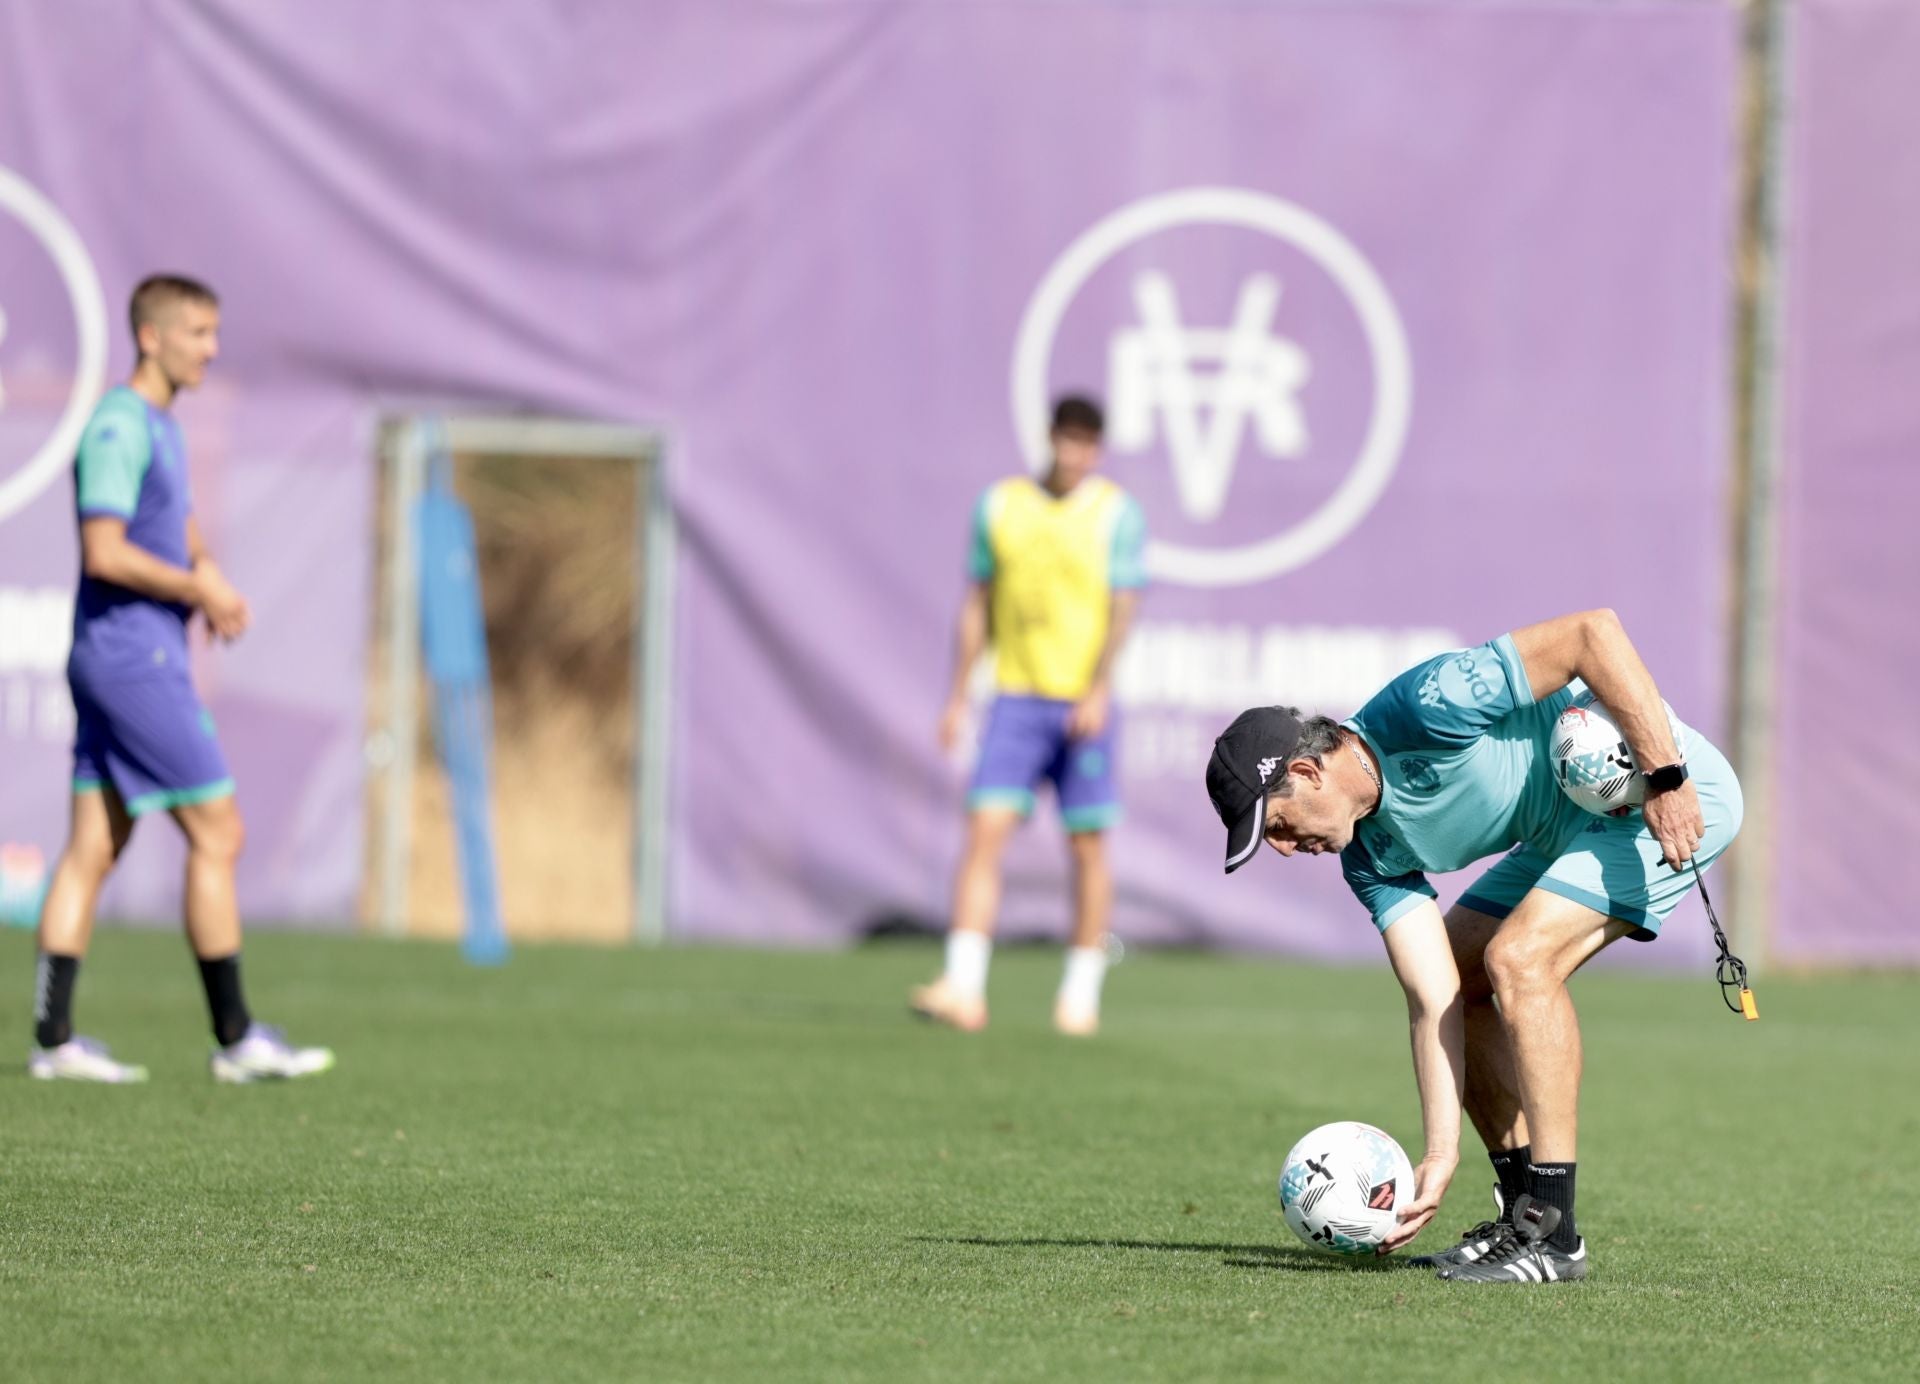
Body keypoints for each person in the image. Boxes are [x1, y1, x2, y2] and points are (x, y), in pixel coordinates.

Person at [1206, 610, 1741, 1283]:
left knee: (1519, 959)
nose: (1286, 850)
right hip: (1562, 837)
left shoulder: (1425, 707)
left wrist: (1666, 779)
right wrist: (1440, 1152)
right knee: (1465, 970)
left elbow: (1592, 635)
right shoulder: (1367, 859)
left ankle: (1554, 1233)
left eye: (1279, 826)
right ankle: (1523, 1211)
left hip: (1662, 800)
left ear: (1310, 773)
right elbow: (1434, 998)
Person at [29, 274, 335, 1084]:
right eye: (199, 332)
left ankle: (54, 1040)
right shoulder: (118, 426)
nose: (212, 347)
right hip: (133, 661)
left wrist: (207, 570)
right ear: (151, 337)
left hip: (127, 654)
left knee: (95, 844)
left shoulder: (160, 426)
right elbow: (106, 551)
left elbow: (179, 531)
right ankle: (236, 1037)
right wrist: (197, 587)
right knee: (219, 831)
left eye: (213, 331)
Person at [910, 395, 1147, 1036]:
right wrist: (959, 693)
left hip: (1081, 701)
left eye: (1086, 443)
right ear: (1049, 438)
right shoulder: (1001, 505)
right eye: (1066, 439)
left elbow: (1123, 607)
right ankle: (962, 985)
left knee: (1088, 844)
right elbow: (975, 605)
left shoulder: (1115, 513)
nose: (1074, 454)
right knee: (984, 832)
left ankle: (1080, 991)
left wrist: (1099, 688)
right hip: (1013, 696)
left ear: (1097, 449)